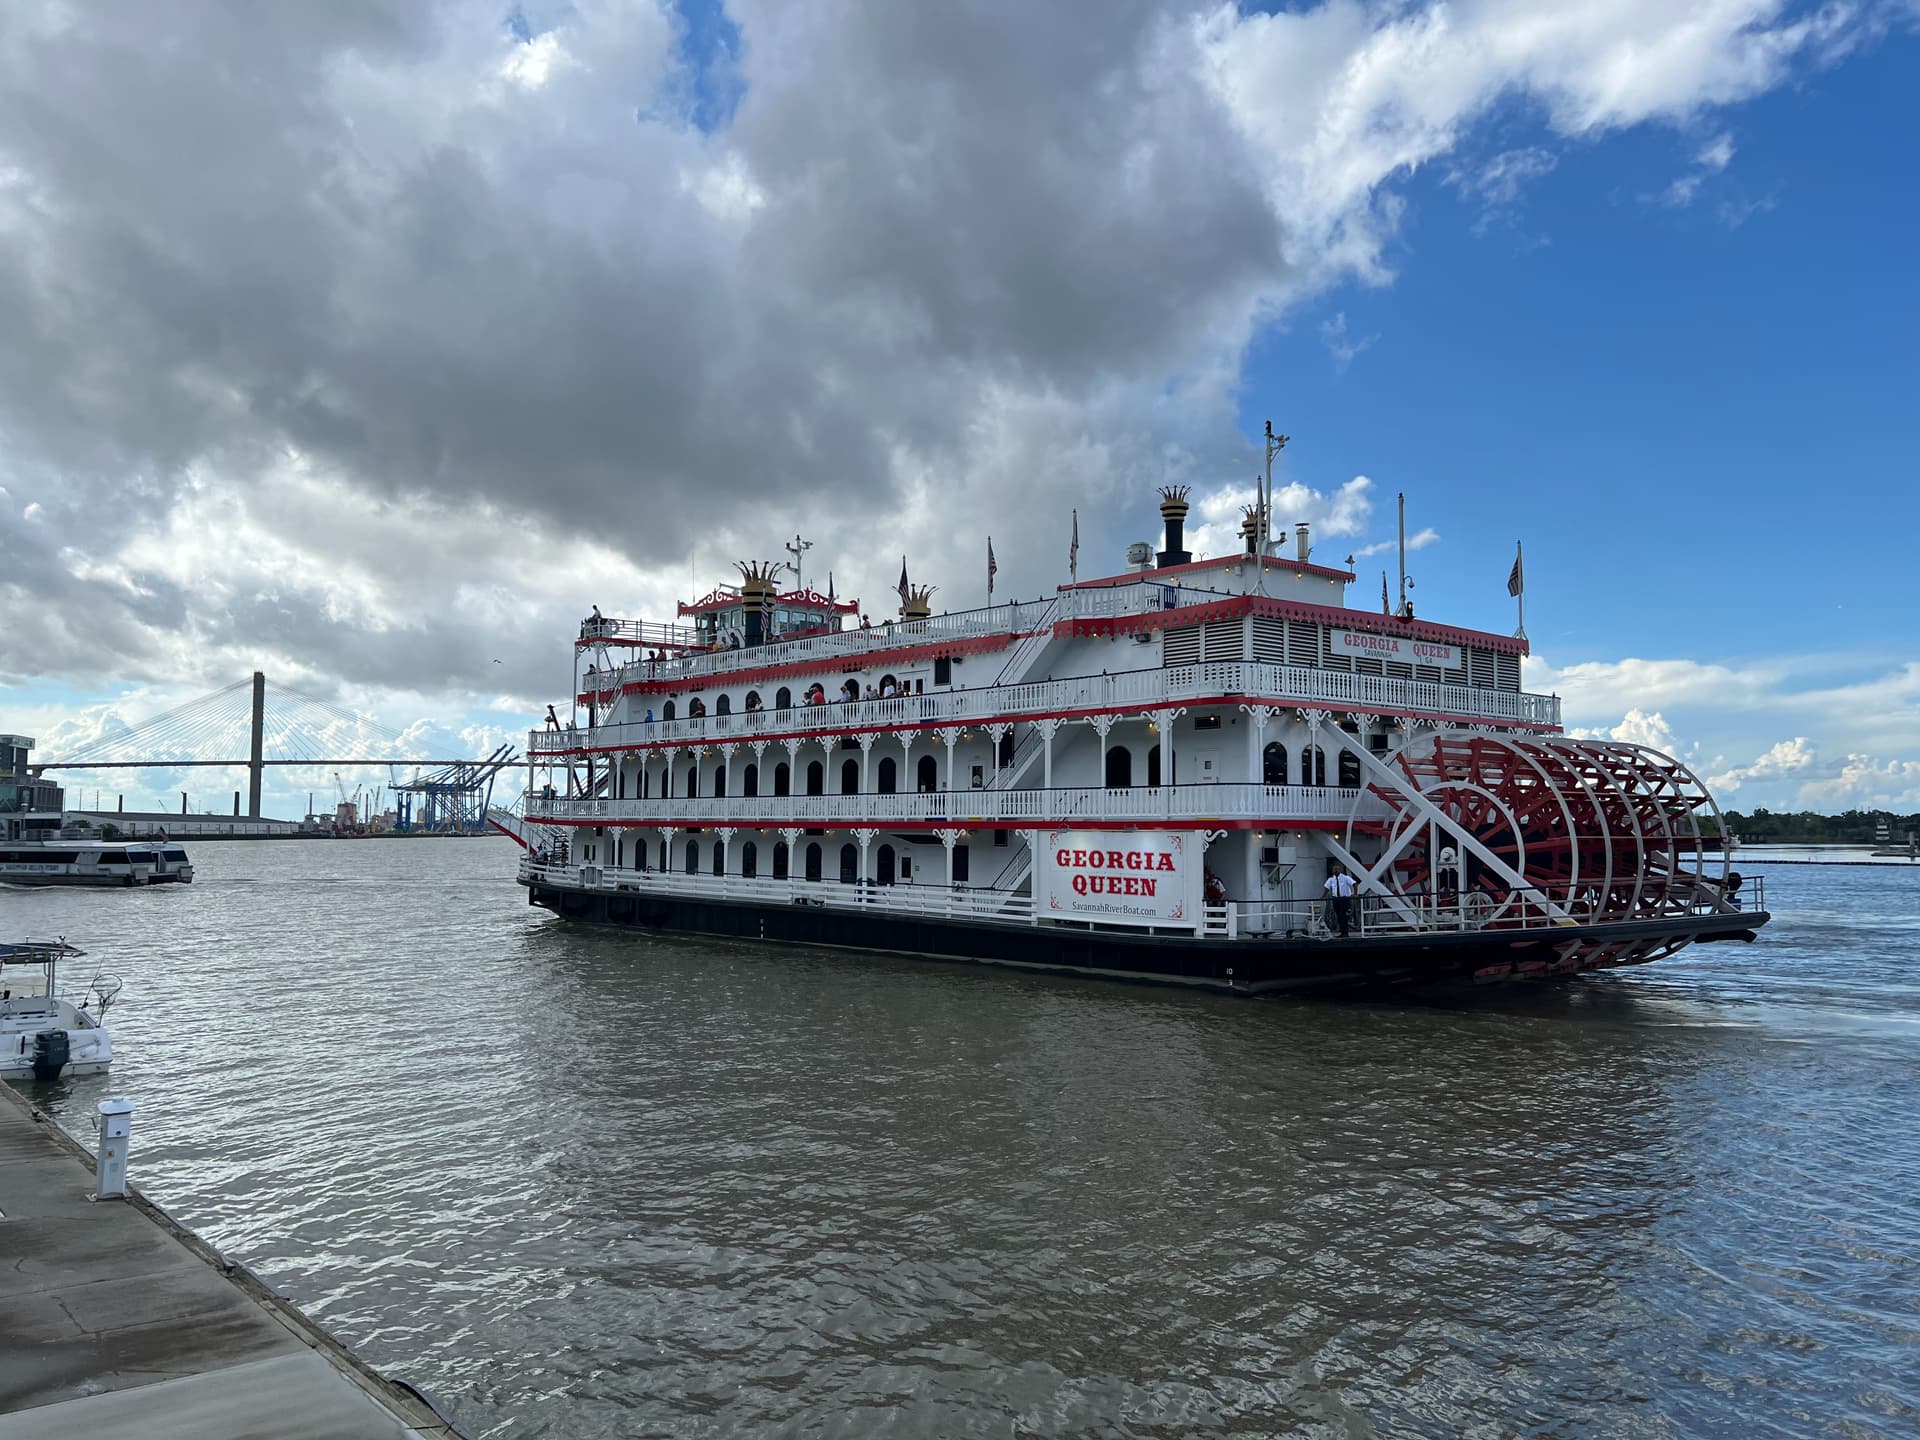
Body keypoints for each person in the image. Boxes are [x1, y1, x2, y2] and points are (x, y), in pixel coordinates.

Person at [1323, 864, 1357, 937]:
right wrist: (1323, 896)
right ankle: (1342, 932)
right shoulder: (1331, 879)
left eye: (1337, 869)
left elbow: (1354, 884)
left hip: (1344, 898)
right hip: (1336, 899)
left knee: (1343, 915)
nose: (1335, 871)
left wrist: (1355, 894)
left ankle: (1345, 932)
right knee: (1338, 915)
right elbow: (1327, 888)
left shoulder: (1345, 878)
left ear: (1340, 870)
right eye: (1334, 869)